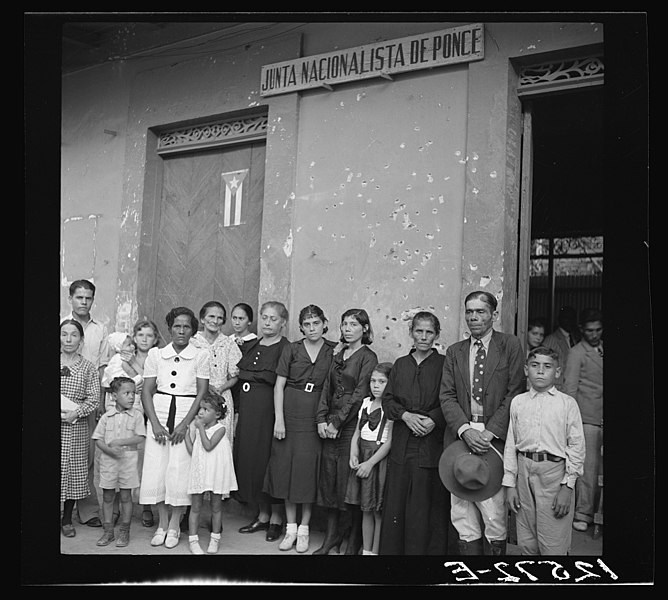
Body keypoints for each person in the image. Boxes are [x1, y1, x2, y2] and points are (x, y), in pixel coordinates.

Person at [439, 291, 525, 555]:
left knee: (493, 510)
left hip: (494, 438)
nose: (473, 317)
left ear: (494, 315)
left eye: (480, 311)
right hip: (461, 436)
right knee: (462, 510)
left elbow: (514, 392)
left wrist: (490, 432)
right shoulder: (455, 351)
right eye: (469, 311)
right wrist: (464, 430)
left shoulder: (509, 345)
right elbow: (447, 395)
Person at [264, 305, 336, 553]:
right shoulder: (291, 349)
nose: (312, 328)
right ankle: (290, 527)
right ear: (301, 327)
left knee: (307, 471)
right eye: (307, 324)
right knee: (286, 469)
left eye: (316, 323)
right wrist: (279, 419)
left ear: (324, 323)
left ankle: (304, 529)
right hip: (290, 413)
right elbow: (278, 386)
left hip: (315, 414)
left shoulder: (334, 350)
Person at [380, 312, 451, 555]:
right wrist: (406, 416)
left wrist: (434, 419)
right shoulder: (401, 364)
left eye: (429, 332)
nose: (423, 337)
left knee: (424, 506)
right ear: (411, 333)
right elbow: (387, 401)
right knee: (398, 504)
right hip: (402, 443)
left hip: (430, 446)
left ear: (437, 335)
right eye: (419, 331)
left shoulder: (444, 364)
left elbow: (452, 401)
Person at [139, 307, 210, 550]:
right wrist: (155, 423)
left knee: (180, 468)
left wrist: (185, 423)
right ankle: (162, 523)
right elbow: (147, 391)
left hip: (184, 413)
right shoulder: (156, 355)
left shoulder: (201, 355)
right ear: (169, 328)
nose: (181, 330)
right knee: (157, 467)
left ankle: (174, 524)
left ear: (193, 330)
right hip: (159, 413)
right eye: (177, 326)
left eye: (186, 326)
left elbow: (202, 392)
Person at [503, 346, 585, 555]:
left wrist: (568, 487)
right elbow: (512, 444)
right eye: (534, 365)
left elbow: (576, 447)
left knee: (553, 542)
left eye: (547, 367)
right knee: (527, 541)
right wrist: (510, 483)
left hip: (554, 474)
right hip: (524, 471)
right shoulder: (518, 402)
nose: (540, 371)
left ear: (557, 372)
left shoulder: (567, 404)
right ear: (525, 370)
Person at [313, 308, 378, 555]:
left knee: (347, 485)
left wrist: (337, 423)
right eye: (344, 324)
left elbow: (361, 394)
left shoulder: (367, 357)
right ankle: (331, 539)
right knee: (329, 482)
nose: (348, 329)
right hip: (330, 424)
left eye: (353, 324)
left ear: (365, 329)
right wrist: (321, 419)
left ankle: (351, 541)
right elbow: (326, 387)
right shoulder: (337, 354)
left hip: (350, 426)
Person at [234, 301, 291, 542]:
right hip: (248, 413)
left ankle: (277, 520)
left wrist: (279, 419)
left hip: (268, 413)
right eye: (264, 318)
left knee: (270, 463)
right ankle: (263, 515)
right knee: (253, 463)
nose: (268, 322)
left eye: (273, 319)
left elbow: (282, 385)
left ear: (283, 323)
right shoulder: (253, 344)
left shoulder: (285, 348)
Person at [62, 279, 110, 528]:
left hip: (87, 398)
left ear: (93, 300)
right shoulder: (60, 324)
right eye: (79, 297)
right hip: (62, 393)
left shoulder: (99, 329)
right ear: (71, 298)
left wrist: (100, 400)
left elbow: (102, 366)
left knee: (85, 456)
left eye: (88, 298)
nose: (83, 302)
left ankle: (87, 509)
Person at [92, 376, 147, 548]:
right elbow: (98, 439)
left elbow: (140, 437)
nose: (132, 397)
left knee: (125, 496)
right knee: (108, 496)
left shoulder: (137, 416)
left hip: (128, 462)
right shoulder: (106, 417)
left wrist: (120, 442)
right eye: (126, 393)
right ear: (114, 396)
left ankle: (124, 530)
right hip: (108, 463)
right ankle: (108, 531)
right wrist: (109, 450)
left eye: (134, 393)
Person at [562, 307, 603, 533]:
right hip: (586, 417)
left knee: (602, 471)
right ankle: (583, 513)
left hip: (603, 416)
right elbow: (570, 389)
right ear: (582, 330)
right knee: (588, 469)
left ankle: (599, 513)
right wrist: (571, 422)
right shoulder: (577, 352)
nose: (594, 334)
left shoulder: (603, 350)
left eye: (598, 330)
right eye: (589, 330)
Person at [346, 362, 393, 556]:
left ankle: (375, 551)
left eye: (381, 381)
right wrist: (353, 453)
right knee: (365, 508)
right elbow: (357, 432)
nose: (376, 385)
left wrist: (370, 463)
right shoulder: (366, 402)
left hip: (377, 459)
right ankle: (366, 551)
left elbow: (389, 442)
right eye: (373, 381)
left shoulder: (390, 408)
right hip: (362, 455)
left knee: (377, 509)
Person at [60, 319, 101, 537]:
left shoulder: (88, 367)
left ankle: (67, 519)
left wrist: (77, 412)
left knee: (73, 472)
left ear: (81, 340)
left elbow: (94, 398)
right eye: (64, 334)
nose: (68, 339)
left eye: (73, 335)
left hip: (75, 427)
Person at [184, 390, 238, 555]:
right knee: (196, 506)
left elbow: (208, 446)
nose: (200, 412)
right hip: (201, 469)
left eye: (206, 410)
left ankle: (215, 538)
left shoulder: (220, 429)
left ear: (217, 414)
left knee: (216, 506)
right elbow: (195, 451)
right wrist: (187, 435)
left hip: (215, 470)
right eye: (201, 408)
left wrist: (199, 428)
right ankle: (193, 540)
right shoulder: (201, 427)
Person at [191, 301, 242, 450]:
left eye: (219, 318)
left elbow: (235, 374)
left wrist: (221, 388)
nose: (215, 321)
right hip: (198, 395)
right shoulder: (193, 342)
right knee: (198, 439)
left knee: (220, 444)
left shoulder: (229, 343)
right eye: (211, 316)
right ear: (202, 319)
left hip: (222, 397)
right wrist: (206, 386)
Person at [229, 302, 258, 433]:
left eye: (241, 319)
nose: (237, 322)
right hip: (227, 387)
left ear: (249, 321)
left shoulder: (256, 343)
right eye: (234, 318)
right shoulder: (227, 341)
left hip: (243, 389)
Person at [543, 306, 580, 391]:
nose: (569, 321)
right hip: (558, 388)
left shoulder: (575, 338)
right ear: (559, 319)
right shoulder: (551, 339)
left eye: (572, 318)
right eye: (566, 318)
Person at [523, 317, 547, 390]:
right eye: (535, 333)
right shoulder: (520, 352)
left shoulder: (542, 353)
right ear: (526, 333)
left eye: (541, 335)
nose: (538, 338)